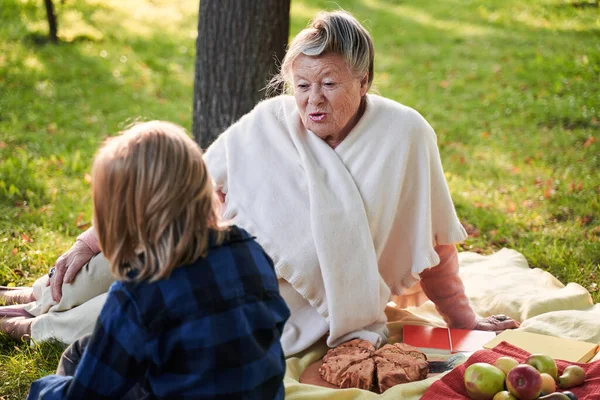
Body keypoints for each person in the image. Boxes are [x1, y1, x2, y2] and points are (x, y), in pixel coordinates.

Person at [1, 11, 518, 354]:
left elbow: (433, 242)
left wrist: (464, 320)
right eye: (302, 85)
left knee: (147, 309)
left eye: (330, 84)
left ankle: (32, 326)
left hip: (273, 297)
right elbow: (187, 183)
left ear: (364, 81)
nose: (312, 100)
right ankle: (41, 296)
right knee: (107, 264)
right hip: (213, 246)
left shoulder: (406, 135)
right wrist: (90, 240)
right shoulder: (272, 119)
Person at [25, 121, 290, 399]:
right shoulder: (250, 250)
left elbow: (85, 395)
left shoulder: (139, 294)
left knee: (78, 357)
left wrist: (41, 390)